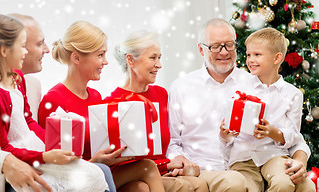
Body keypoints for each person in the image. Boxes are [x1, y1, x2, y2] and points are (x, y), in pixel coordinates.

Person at [0, 13, 108, 191]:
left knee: (96, 173)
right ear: (4, 51)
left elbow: (29, 121)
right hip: (21, 159)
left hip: (35, 150)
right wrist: (45, 156)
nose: (26, 51)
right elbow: (0, 147)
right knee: (92, 175)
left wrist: (54, 146)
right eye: (23, 46)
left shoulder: (18, 79)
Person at [167, 18, 312, 192]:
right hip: (209, 168)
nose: (224, 52)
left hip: (255, 162)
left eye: (229, 45)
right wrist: (180, 160)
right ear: (201, 49)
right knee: (236, 182)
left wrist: (300, 159)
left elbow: (292, 134)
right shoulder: (182, 86)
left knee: (305, 186)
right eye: (215, 46)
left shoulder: (255, 81)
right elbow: (172, 142)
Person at [38, 21, 166, 192]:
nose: (105, 62)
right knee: (147, 168)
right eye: (100, 55)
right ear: (76, 58)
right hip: (80, 178)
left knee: (140, 186)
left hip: (102, 171)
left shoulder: (95, 97)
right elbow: (54, 167)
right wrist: (94, 163)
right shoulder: (54, 100)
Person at [106, 30, 209, 192]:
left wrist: (174, 164)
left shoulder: (161, 94)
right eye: (153, 58)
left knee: (199, 184)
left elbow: (169, 143)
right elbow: (122, 161)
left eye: (159, 57)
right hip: (134, 176)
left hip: (162, 172)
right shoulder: (114, 103)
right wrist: (165, 165)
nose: (159, 65)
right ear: (130, 60)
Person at [220, 28, 315, 191]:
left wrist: (272, 132)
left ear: (277, 58)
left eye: (257, 54)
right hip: (242, 158)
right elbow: (227, 133)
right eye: (249, 55)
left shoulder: (293, 94)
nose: (250, 60)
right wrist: (225, 134)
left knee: (284, 183)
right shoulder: (239, 88)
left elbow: (293, 135)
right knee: (247, 188)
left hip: (273, 155)